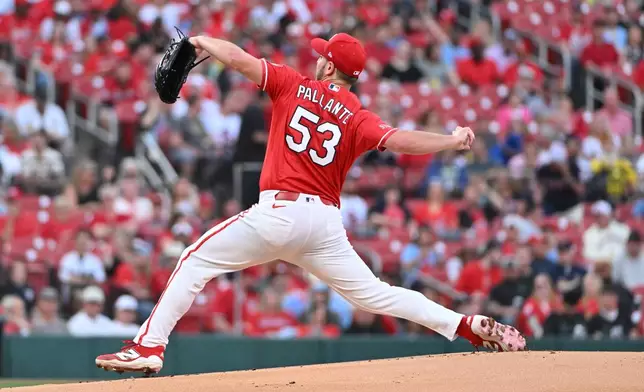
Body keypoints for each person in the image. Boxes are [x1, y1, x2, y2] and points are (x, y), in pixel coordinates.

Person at [96, 32, 525, 375]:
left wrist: (199, 41)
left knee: (194, 260)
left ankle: (148, 345)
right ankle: (464, 325)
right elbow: (400, 141)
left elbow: (239, 58)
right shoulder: (358, 116)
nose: (317, 58)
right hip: (323, 226)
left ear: (330, 65)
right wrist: (451, 140)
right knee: (376, 294)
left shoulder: (291, 83)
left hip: (279, 213)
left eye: (323, 54)